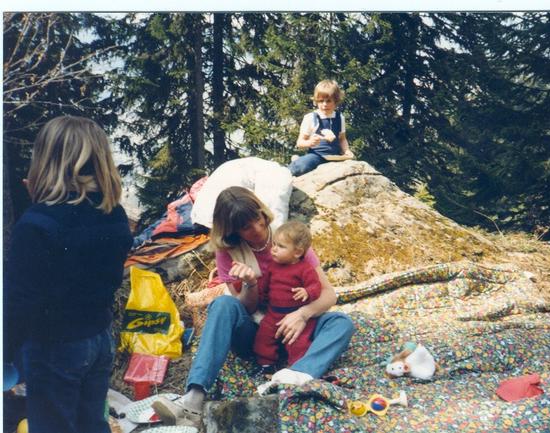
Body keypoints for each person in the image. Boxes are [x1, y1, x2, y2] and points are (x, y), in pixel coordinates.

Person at [152, 186, 354, 427]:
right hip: (258, 333)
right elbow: (245, 310)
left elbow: (329, 295)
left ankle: (293, 377)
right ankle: (194, 400)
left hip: (298, 330)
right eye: (247, 227)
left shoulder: (289, 241)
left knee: (341, 323)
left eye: (258, 220)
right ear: (233, 232)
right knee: (223, 304)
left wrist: (303, 314)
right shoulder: (229, 253)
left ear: (262, 212)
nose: (257, 230)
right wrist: (249, 284)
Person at [3, 116, 133, 433]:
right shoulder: (113, 214)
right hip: (99, 340)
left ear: (46, 161)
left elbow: (19, 301)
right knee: (91, 424)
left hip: (54, 345)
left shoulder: (36, 224)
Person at [254, 220, 321, 368]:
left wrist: (307, 292)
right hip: (273, 314)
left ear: (297, 252)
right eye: (274, 244)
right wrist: (256, 290)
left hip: (296, 315)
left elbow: (316, 286)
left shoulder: (305, 269)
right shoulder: (273, 267)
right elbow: (264, 286)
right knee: (263, 337)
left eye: (281, 246)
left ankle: (297, 367)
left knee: (298, 342)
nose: (274, 249)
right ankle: (267, 365)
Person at [288, 79, 354, 176]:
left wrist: (347, 151)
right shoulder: (311, 117)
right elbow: (300, 143)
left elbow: (342, 139)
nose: (324, 104)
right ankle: (295, 163)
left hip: (336, 157)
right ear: (316, 101)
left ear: (335, 101)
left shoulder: (340, 118)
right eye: (321, 101)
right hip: (317, 155)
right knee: (302, 167)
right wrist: (310, 142)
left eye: (328, 101)